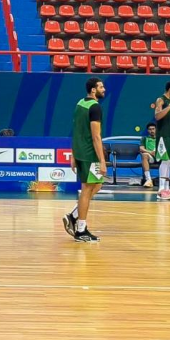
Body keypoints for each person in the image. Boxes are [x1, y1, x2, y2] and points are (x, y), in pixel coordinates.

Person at [63, 77, 106, 243]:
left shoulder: (80, 103)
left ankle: (74, 215)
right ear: (93, 90)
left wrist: (73, 154)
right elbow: (96, 136)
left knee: (97, 185)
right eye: (101, 87)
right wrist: (102, 160)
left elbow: (76, 130)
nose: (104, 89)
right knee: (88, 189)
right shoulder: (95, 107)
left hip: (80, 152)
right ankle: (81, 230)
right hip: (89, 154)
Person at [154, 81, 170, 200]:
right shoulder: (161, 100)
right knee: (165, 161)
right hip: (164, 135)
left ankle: (167, 188)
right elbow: (157, 116)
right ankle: (161, 190)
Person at [139, 122, 158, 188]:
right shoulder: (144, 138)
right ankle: (149, 180)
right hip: (151, 157)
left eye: (153, 129)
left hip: (161, 157)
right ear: (147, 130)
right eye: (150, 129)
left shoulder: (161, 138)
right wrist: (150, 152)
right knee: (144, 155)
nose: (152, 131)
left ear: (156, 129)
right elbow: (141, 148)